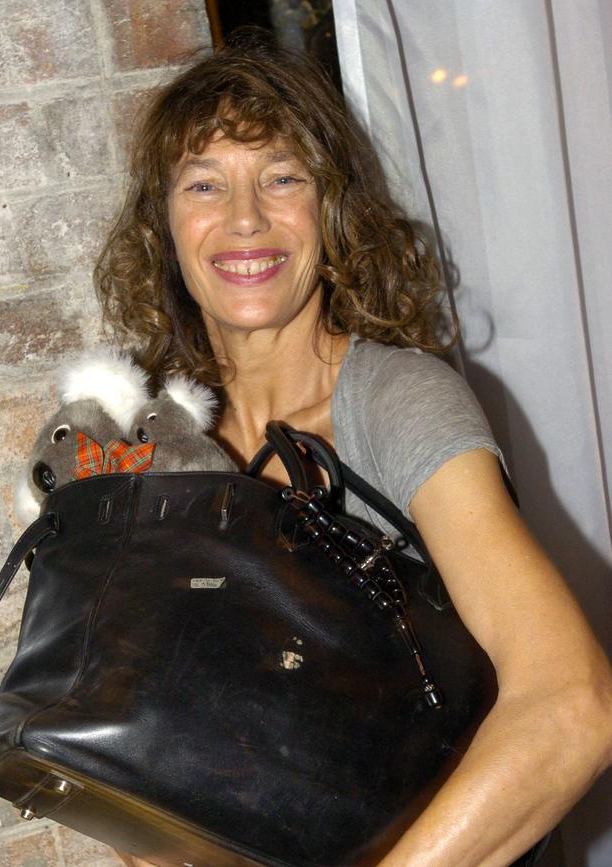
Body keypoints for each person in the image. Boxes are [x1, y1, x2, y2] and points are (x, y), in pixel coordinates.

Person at [95, 31, 612, 867]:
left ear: (330, 211)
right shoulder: (157, 454)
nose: (245, 218)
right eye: (203, 183)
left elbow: (574, 702)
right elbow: (152, 755)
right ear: (165, 226)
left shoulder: (397, 400)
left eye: (282, 177)